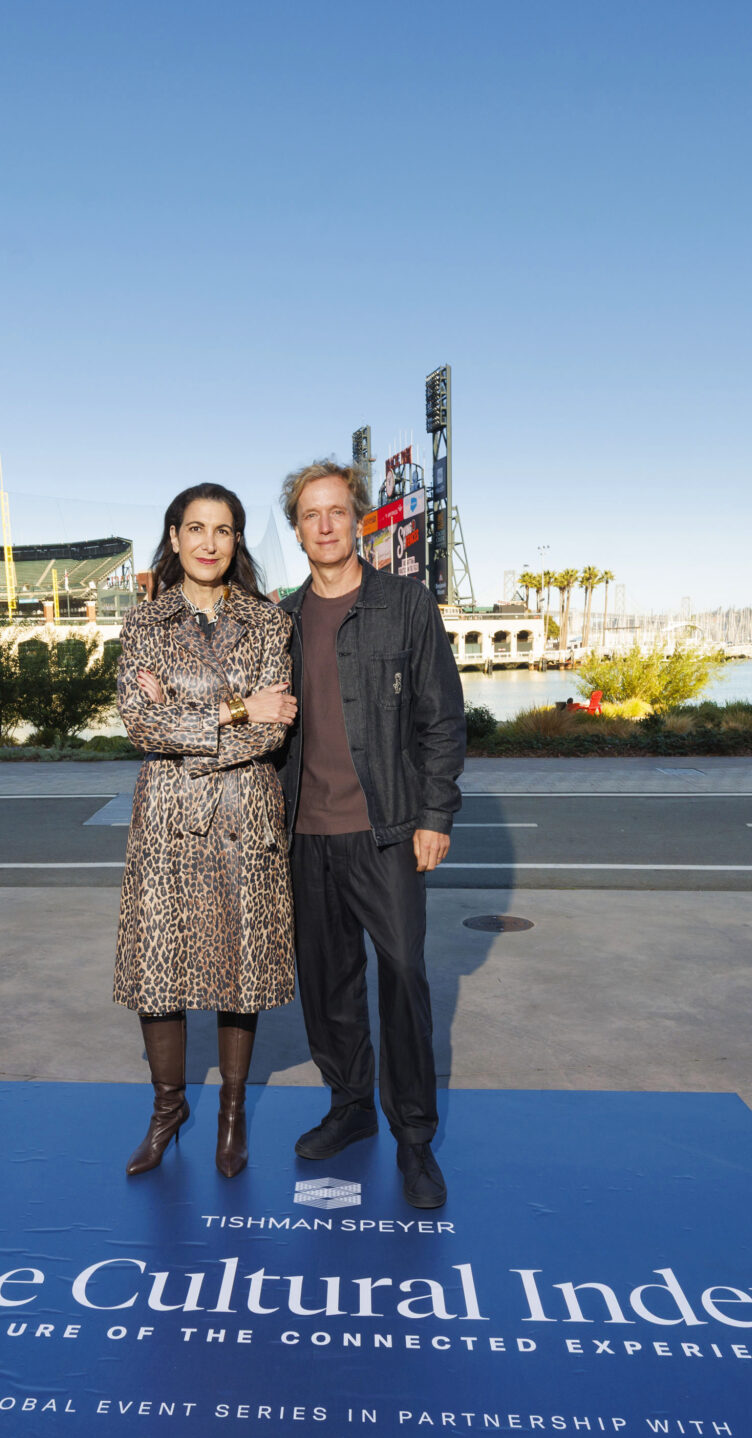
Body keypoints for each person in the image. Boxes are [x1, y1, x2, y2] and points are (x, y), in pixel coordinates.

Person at [275, 459, 467, 1209]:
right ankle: (351, 1108)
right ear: (296, 529)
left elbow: (441, 721)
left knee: (406, 982)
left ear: (358, 519)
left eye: (335, 511)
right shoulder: (280, 618)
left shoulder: (407, 605)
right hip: (304, 836)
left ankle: (414, 1138)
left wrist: (435, 816)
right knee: (327, 987)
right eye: (309, 514)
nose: (324, 525)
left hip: (387, 832)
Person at [113, 482, 298, 1178]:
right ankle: (167, 1109)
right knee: (157, 970)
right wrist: (232, 709)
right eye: (195, 529)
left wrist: (187, 716)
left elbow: (275, 731)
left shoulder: (268, 623)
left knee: (237, 970)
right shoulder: (142, 625)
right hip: (165, 822)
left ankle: (231, 1111)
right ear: (173, 535)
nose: (209, 543)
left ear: (237, 541)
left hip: (244, 816)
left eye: (223, 530)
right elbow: (138, 726)